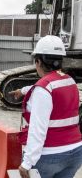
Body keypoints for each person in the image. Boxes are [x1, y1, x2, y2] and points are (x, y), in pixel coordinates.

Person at [9, 35, 82, 178]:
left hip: (50, 155)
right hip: (75, 152)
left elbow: (38, 130)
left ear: (38, 61)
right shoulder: (69, 81)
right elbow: (49, 87)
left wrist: (27, 163)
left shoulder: (43, 90)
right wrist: (23, 91)